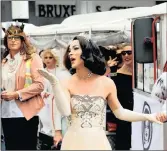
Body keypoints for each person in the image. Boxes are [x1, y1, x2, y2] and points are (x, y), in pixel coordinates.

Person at [37, 36, 165, 150]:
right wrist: (54, 84)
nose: (71, 53)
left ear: (87, 52)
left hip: (98, 142)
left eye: (75, 48)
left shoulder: (106, 83)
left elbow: (120, 113)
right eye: (69, 50)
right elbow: (65, 112)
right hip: (73, 142)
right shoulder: (66, 82)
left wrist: (149, 117)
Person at [1, 23, 44, 150]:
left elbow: (40, 84)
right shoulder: (4, 61)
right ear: (6, 41)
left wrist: (16, 94)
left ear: (22, 40)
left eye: (16, 37)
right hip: (6, 113)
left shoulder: (32, 58)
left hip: (26, 114)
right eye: (9, 37)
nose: (13, 40)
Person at [38, 49, 71, 149]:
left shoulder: (62, 73)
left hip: (58, 105)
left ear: (55, 59)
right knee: (45, 128)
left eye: (50, 57)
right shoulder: (40, 72)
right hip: (44, 105)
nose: (48, 60)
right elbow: (37, 88)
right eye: (46, 57)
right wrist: (44, 93)